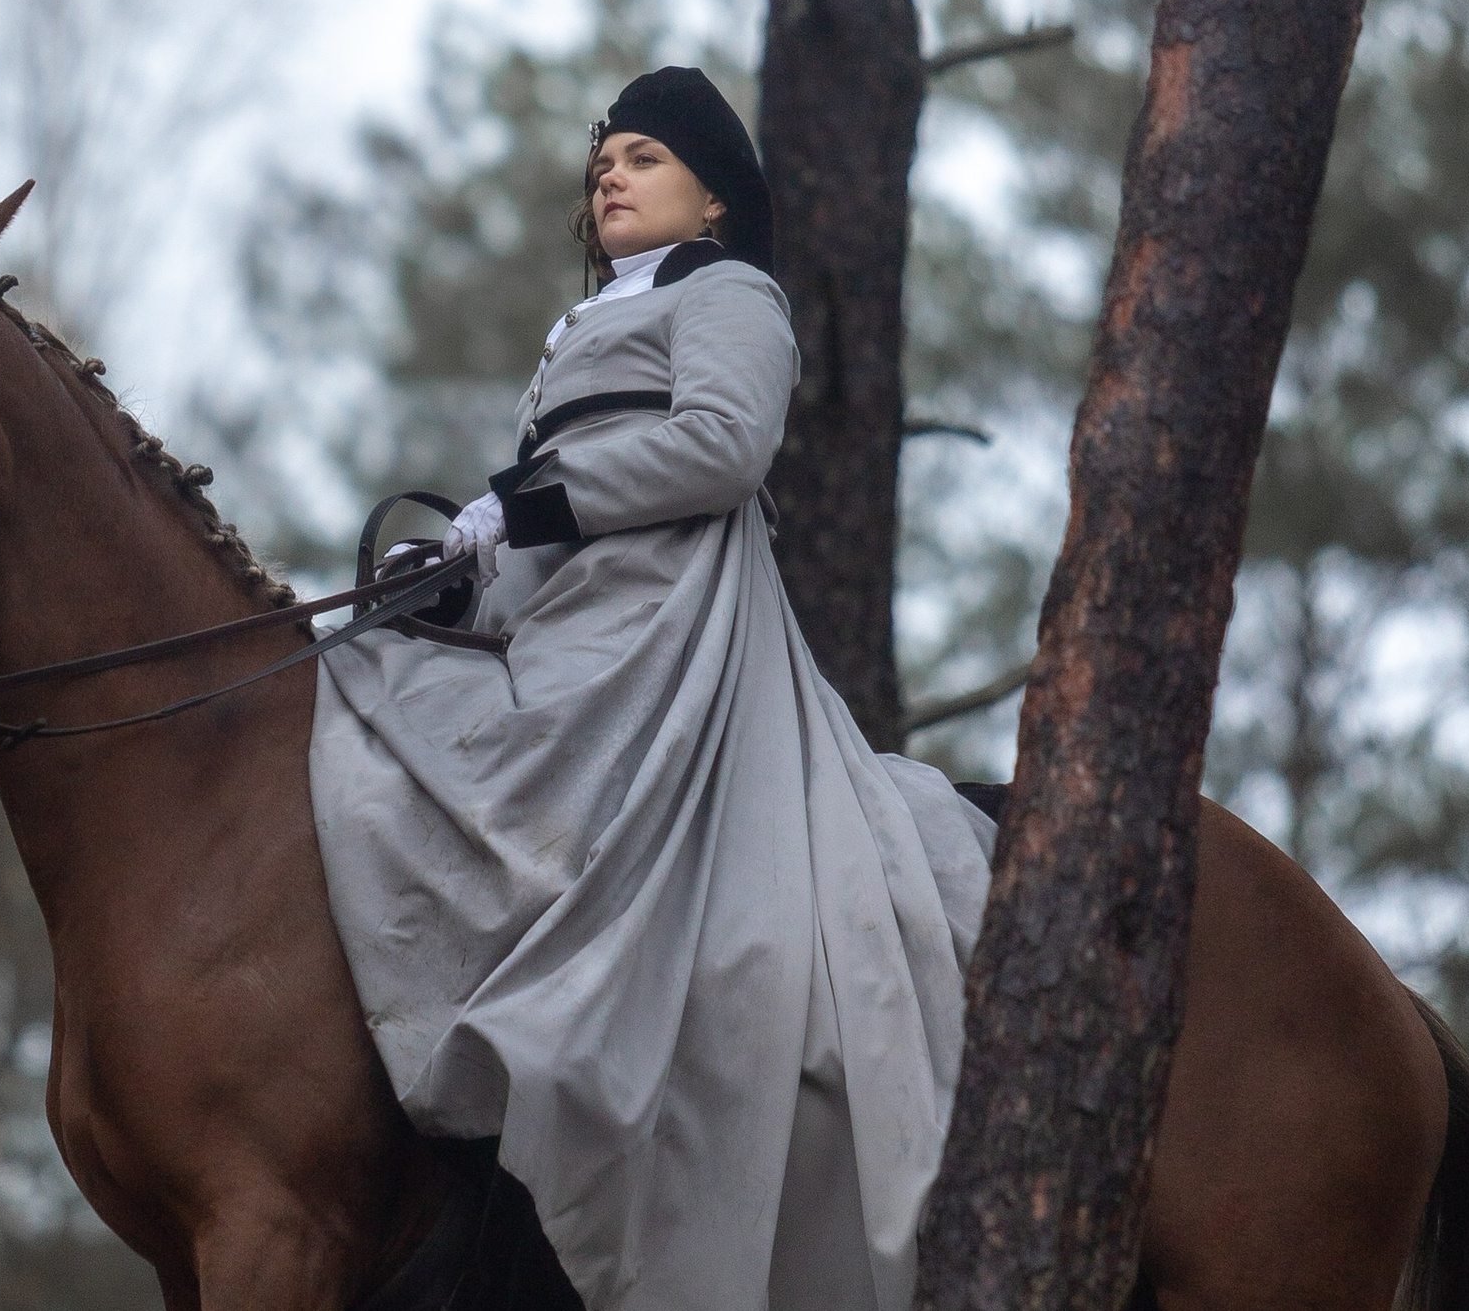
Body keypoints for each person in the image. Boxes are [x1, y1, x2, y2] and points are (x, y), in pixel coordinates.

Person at [311, 67, 996, 1311]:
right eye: (601, 166)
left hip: (666, 620)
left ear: (713, 199)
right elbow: (544, 525)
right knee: (369, 681)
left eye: (642, 158)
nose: (610, 179)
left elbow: (724, 447)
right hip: (566, 618)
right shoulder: (578, 329)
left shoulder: (729, 292)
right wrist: (462, 581)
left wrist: (524, 503)